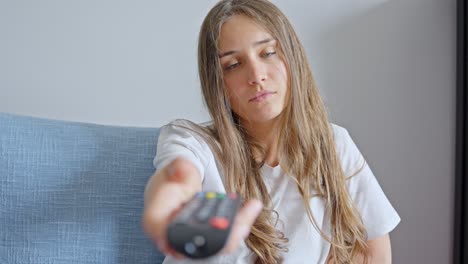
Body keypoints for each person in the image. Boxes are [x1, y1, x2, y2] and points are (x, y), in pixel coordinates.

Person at [142, 0, 401, 263]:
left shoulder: (334, 144)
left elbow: (371, 248)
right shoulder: (191, 140)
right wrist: (174, 202)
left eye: (267, 53)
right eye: (232, 65)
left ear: (292, 56)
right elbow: (177, 178)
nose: (256, 75)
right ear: (217, 82)